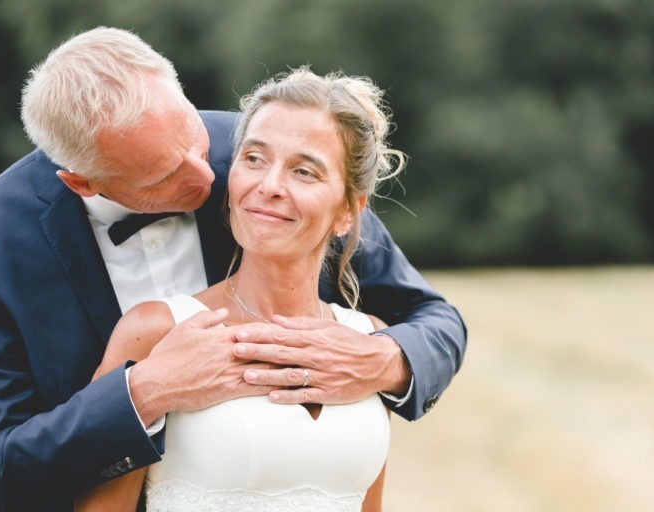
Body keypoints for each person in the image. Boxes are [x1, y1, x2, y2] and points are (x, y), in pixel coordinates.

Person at [0, 27, 466, 512]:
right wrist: (143, 394)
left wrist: (382, 361)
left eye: (193, 136)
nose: (209, 175)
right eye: (164, 173)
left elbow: (432, 320)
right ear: (83, 182)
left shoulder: (262, 154)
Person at [75, 66, 415, 512]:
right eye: (254, 158)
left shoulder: (366, 344)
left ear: (348, 212)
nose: (269, 186)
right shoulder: (156, 331)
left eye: (304, 171)